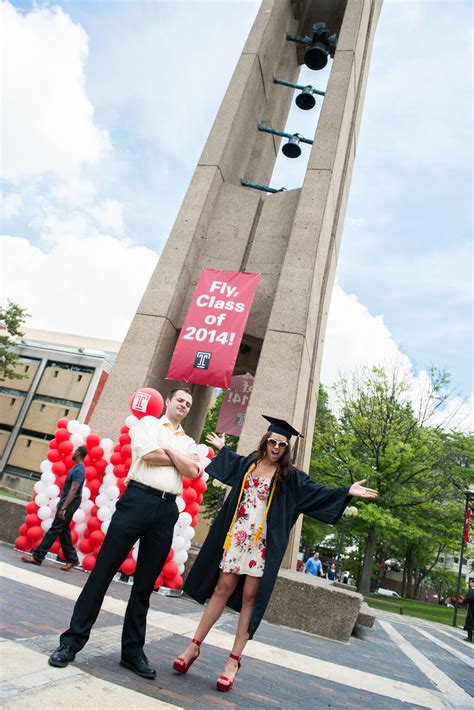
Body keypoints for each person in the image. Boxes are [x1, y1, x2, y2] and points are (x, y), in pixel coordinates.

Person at [173, 415, 378, 693]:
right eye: (273, 441)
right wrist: (223, 448)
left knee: (250, 598)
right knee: (222, 588)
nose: (276, 447)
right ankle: (193, 646)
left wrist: (346, 492)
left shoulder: (291, 478)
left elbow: (318, 492)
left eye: (282, 444)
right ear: (266, 440)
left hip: (262, 545)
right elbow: (229, 464)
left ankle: (233, 661)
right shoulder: (249, 464)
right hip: (237, 537)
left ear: (287, 448)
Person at [48, 388, 200, 679]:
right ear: (168, 401)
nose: (184, 405)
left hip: (168, 510)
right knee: (102, 572)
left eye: (188, 404)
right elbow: (149, 455)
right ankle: (70, 643)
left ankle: (132, 653)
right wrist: (174, 454)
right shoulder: (148, 425)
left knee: (144, 586)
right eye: (180, 399)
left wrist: (167, 450)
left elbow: (192, 471)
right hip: (137, 501)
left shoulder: (189, 441)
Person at [22, 445, 87, 571]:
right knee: (63, 531)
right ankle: (72, 559)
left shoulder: (79, 469)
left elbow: (74, 489)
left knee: (55, 529)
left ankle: (38, 557)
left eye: (75, 452)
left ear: (78, 453)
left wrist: (63, 508)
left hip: (69, 504)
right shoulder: (77, 468)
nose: (73, 453)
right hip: (68, 503)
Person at [462, 578, 474, 643]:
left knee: (470, 622)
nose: (470, 584)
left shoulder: (472, 590)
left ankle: (470, 638)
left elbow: (470, 598)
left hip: (472, 609)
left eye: (471, 582)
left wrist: (464, 600)